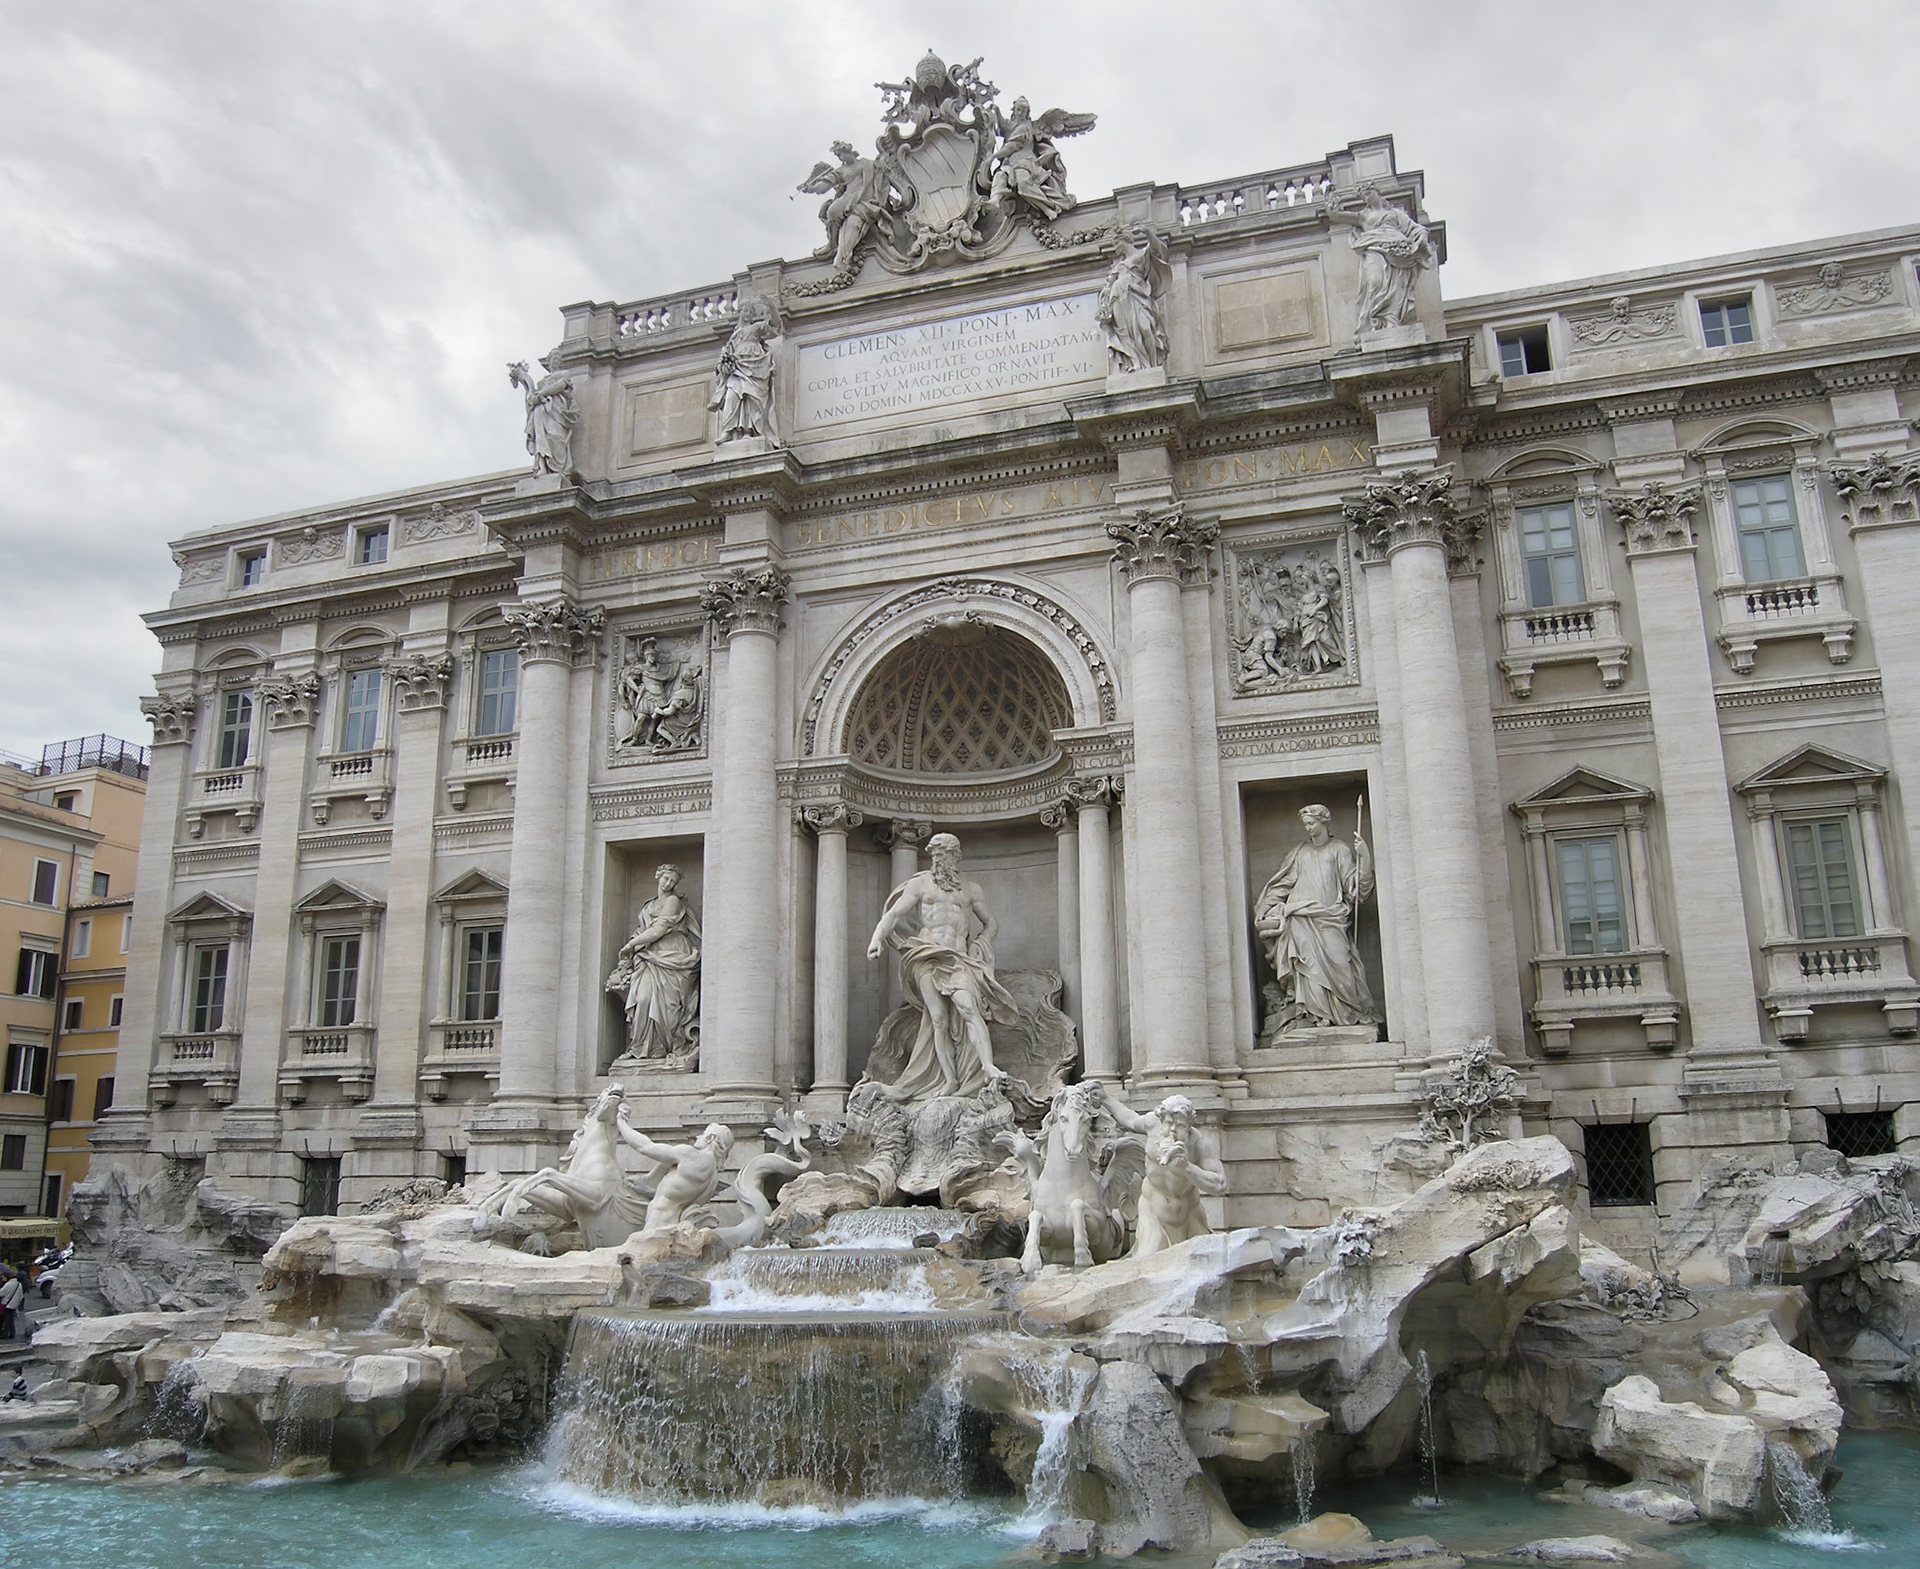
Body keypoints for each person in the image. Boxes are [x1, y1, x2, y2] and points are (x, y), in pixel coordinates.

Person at [865, 832, 1020, 1103]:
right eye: (935, 855)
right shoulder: (921, 885)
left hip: (958, 958)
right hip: (927, 955)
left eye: (944, 854)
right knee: (938, 1020)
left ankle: (988, 1067)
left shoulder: (971, 889)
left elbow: (991, 923)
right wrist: (876, 938)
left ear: (955, 856)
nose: (938, 859)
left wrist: (980, 943)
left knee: (969, 1008)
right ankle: (949, 1079)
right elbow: (894, 914)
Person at [1254, 805, 1379, 1032]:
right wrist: (1265, 907)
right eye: (1306, 825)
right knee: (1307, 967)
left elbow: (1356, 890)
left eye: (1312, 823)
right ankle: (1314, 1015)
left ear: (1324, 822)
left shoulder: (1339, 850)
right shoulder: (1299, 853)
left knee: (1341, 964)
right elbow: (1283, 884)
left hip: (1330, 917)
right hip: (1300, 917)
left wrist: (1365, 858)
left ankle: (1346, 1012)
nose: (1309, 828)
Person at [605, 865, 702, 1061]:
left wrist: (631, 944)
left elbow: (658, 930)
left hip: (672, 955)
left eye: (672, 881)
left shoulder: (673, 901)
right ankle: (639, 1048)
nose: (668, 884)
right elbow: (643, 931)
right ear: (658, 876)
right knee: (643, 999)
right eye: (666, 878)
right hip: (649, 956)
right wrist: (632, 950)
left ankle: (662, 1048)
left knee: (669, 1006)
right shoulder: (648, 906)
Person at [613, 1113, 733, 1235]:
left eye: (703, 1134)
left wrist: (620, 1121)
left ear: (711, 1138)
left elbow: (645, 1147)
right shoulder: (713, 1179)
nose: (698, 1137)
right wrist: (648, 1190)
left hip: (657, 1227)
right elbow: (678, 1197)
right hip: (673, 1228)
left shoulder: (692, 1156)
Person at [0, 1268, 23, 1341]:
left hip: (7, 1304)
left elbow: (1, 1293)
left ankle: (5, 1334)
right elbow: (21, 1295)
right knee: (11, 1320)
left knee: (6, 1320)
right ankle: (12, 1333)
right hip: (14, 1304)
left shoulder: (8, 1284)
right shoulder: (19, 1284)